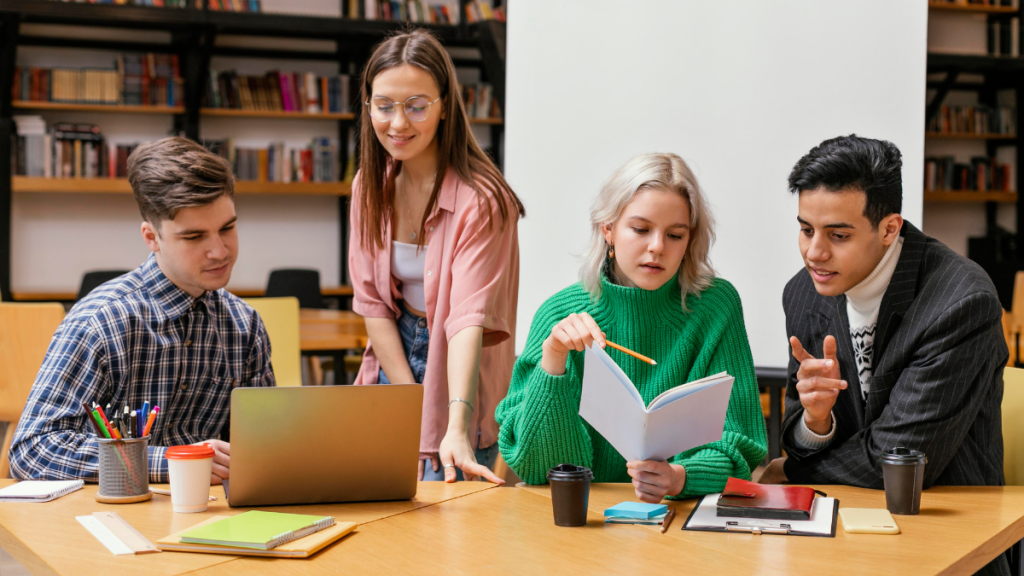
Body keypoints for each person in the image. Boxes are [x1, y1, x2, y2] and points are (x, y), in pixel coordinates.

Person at [762, 134, 1008, 575]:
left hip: (947, 545)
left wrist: (794, 470)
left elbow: (901, 463)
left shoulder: (960, 301)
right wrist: (816, 425)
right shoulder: (802, 294)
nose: (814, 252)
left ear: (890, 228)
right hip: (836, 539)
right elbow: (797, 433)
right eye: (805, 229)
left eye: (838, 235)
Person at [495, 153, 767, 502]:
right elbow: (536, 468)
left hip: (682, 521)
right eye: (640, 229)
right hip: (584, 525)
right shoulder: (557, 315)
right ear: (607, 229)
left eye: (675, 235)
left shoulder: (716, 306)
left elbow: (739, 443)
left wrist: (679, 478)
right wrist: (553, 361)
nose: (657, 247)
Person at [9, 137, 275, 485]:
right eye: (194, 237)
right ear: (152, 237)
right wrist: (174, 462)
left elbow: (264, 448)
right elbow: (33, 450)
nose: (219, 251)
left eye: (227, 228)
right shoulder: (100, 323)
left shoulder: (245, 326)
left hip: (210, 521)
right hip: (111, 519)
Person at [348, 30, 524, 484]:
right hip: (395, 354)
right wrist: (409, 397)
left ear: (445, 105)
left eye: (417, 106)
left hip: (460, 362)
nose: (398, 123)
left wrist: (456, 424)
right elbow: (372, 304)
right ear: (368, 107)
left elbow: (467, 319)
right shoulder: (369, 185)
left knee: (453, 524)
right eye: (384, 105)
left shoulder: (482, 200)